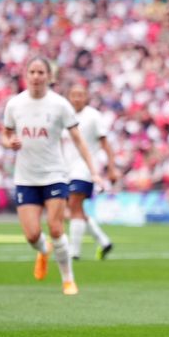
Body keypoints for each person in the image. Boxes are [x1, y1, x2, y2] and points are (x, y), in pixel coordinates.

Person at [1, 57, 102, 295]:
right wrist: (9, 143)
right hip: (25, 177)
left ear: (49, 76)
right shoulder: (15, 105)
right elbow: (5, 135)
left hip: (54, 175)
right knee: (31, 234)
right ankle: (43, 249)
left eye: (41, 72)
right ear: (26, 75)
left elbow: (79, 140)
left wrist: (94, 171)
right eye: (32, 72)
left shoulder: (59, 105)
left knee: (56, 228)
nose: (36, 76)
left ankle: (68, 279)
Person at [63, 83, 119, 261]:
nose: (77, 98)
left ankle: (74, 252)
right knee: (72, 210)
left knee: (75, 206)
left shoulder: (93, 116)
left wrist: (111, 167)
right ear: (69, 97)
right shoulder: (64, 115)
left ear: (86, 97)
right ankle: (103, 241)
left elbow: (106, 144)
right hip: (66, 169)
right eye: (74, 94)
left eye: (80, 95)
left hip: (85, 168)